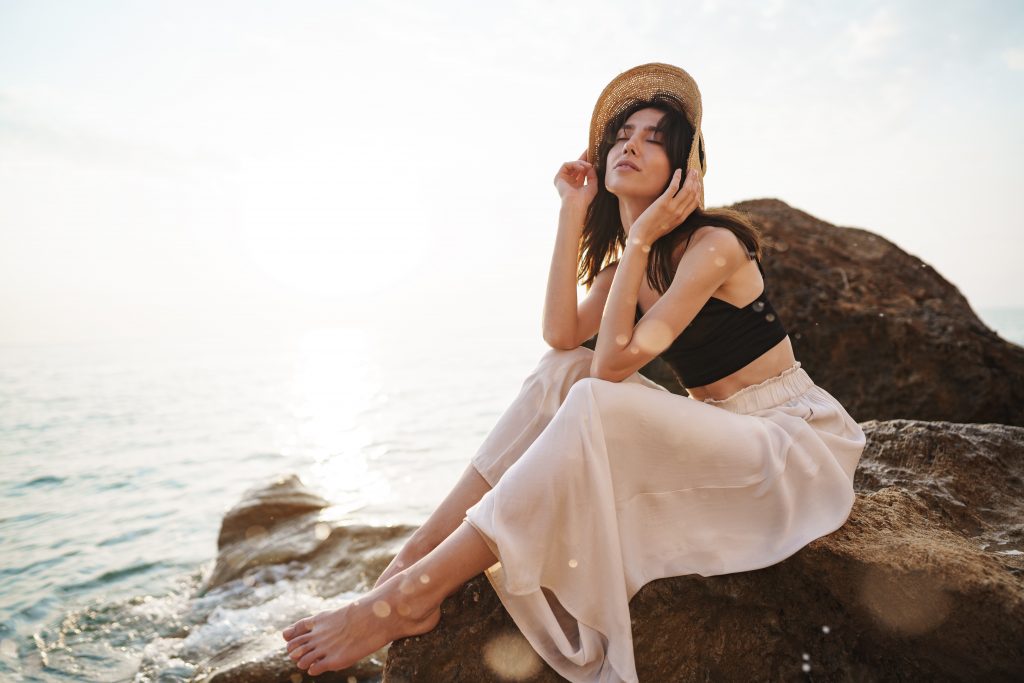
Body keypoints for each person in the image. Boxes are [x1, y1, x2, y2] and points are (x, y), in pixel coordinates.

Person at [281, 63, 866, 682]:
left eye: (654, 138)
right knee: (565, 371)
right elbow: (561, 337)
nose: (630, 145)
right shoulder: (627, 268)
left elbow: (615, 368)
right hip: (722, 433)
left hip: (788, 446)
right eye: (621, 135)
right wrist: (573, 209)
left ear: (685, 168)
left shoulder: (712, 246)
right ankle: (419, 552)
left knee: (590, 391)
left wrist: (639, 239)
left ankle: (413, 597)